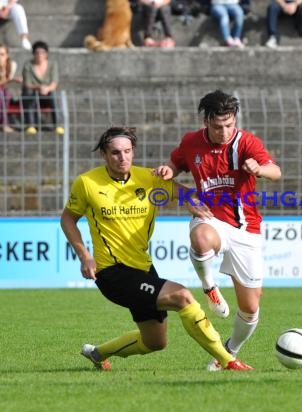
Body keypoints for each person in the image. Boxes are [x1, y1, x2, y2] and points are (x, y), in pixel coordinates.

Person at [60, 126, 253, 372]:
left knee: (155, 341)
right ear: (104, 155)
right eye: (116, 153)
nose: (123, 158)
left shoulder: (150, 178)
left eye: (128, 151)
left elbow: (188, 194)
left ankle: (97, 354)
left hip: (143, 269)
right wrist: (85, 256)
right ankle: (228, 361)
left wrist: (191, 202)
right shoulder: (87, 183)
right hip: (111, 272)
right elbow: (68, 219)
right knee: (183, 296)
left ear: (134, 152)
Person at [155, 90, 281, 371]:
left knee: (250, 308)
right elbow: (177, 163)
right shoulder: (192, 142)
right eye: (217, 126)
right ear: (206, 121)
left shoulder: (246, 142)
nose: (224, 132)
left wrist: (258, 168)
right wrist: (169, 170)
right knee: (201, 239)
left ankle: (227, 353)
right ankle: (209, 285)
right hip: (210, 218)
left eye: (229, 125)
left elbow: (276, 172)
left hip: (246, 228)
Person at [21, 41, 63, 135]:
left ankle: (59, 125)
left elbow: (54, 82)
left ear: (46, 54)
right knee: (28, 92)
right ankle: (30, 125)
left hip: (48, 94)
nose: (40, 55)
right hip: (33, 93)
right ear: (33, 54)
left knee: (55, 94)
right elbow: (27, 83)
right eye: (37, 52)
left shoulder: (52, 65)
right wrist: (39, 87)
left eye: (42, 52)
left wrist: (47, 88)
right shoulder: (28, 65)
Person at [0, 43, 21, 133]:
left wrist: (11, 79)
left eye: (2, 54)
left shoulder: (12, 65)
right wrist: (12, 79)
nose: (0, 57)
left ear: (7, 55)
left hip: (6, 93)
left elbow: (5, 83)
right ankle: (4, 124)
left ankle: (4, 124)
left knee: (5, 94)